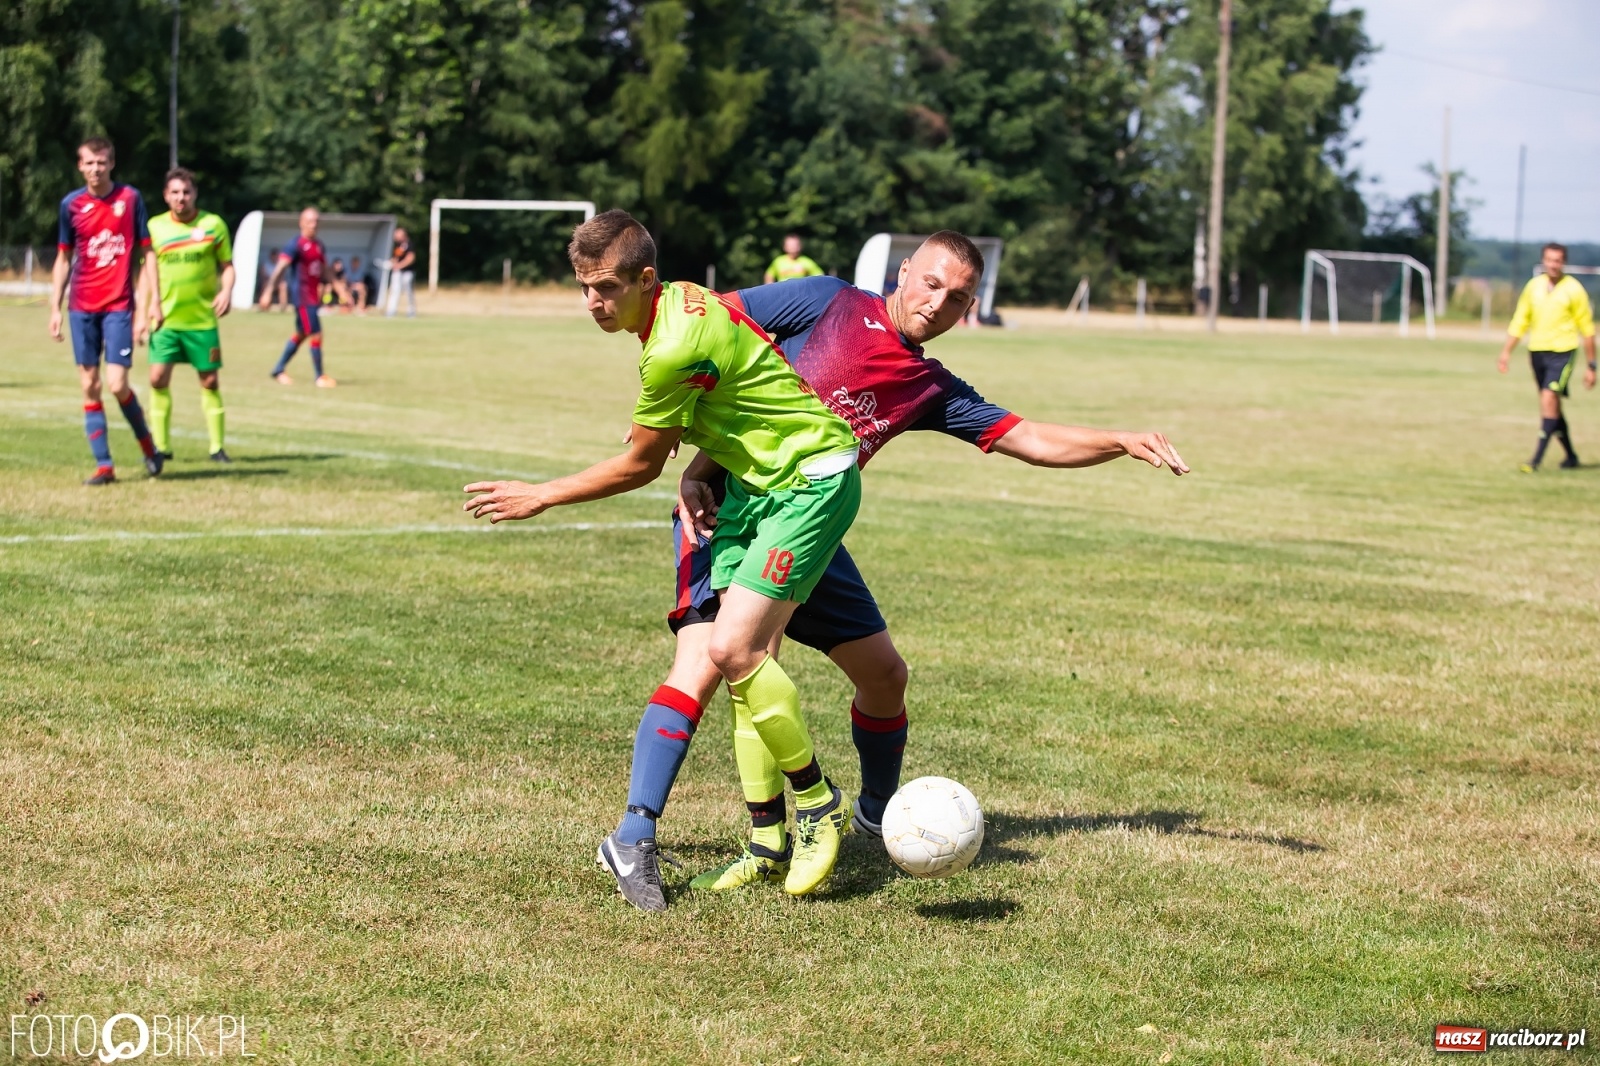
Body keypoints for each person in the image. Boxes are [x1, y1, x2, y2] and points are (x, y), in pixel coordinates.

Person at [602, 232, 1189, 911]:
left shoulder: (929, 385)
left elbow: (1028, 437)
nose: (938, 303)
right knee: (715, 661)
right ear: (903, 271)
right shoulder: (827, 299)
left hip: (812, 519)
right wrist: (680, 429)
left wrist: (1118, 440)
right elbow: (707, 316)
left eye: (959, 298)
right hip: (728, 509)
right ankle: (639, 834)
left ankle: (876, 819)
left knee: (884, 676)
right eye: (931, 283)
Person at [462, 209, 862, 902]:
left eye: (608, 287)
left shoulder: (671, 344)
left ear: (646, 279)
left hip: (810, 481)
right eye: (585, 287)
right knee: (741, 661)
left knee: (735, 651)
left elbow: (639, 465)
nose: (594, 302)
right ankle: (766, 842)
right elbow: (736, 372)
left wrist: (543, 495)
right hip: (756, 486)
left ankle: (819, 806)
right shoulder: (681, 300)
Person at [47, 136, 163, 485]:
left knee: (117, 384)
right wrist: (54, 306)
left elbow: (147, 254)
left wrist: (150, 303)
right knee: (90, 385)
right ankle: (104, 466)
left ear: (111, 164)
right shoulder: (71, 205)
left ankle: (148, 448)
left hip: (118, 305)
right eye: (89, 163)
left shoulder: (130, 199)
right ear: (80, 166)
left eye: (102, 162)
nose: (96, 169)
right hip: (81, 306)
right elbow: (64, 257)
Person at [145, 167, 235, 463]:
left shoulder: (213, 225)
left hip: (201, 320)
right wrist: (146, 308)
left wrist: (226, 291)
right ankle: (161, 447)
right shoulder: (155, 227)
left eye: (186, 192)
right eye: (174, 192)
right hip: (166, 320)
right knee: (157, 379)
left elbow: (228, 266)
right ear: (165, 196)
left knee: (209, 381)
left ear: (194, 194)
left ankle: (217, 447)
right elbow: (147, 271)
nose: (180, 198)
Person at [1498, 242, 1596, 471]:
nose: (1553, 265)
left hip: (1563, 352)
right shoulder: (1533, 287)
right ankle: (1571, 456)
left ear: (1564, 262)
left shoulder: (1574, 290)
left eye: (1558, 260)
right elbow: (1520, 321)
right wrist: (1506, 352)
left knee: (1549, 398)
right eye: (1550, 260)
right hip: (1537, 352)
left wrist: (1592, 366)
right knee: (1551, 407)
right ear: (1543, 261)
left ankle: (1536, 460)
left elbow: (1588, 330)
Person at [260, 207, 336, 387]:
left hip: (313, 297)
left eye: (316, 221)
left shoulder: (319, 245)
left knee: (301, 334)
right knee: (316, 333)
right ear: (301, 223)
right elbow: (280, 268)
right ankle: (320, 377)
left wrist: (342, 291)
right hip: (302, 298)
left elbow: (325, 271)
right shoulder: (295, 245)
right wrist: (268, 291)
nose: (313, 225)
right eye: (309, 221)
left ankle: (278, 369)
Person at [385, 227, 416, 317]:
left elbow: (410, 258)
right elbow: (395, 258)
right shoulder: (397, 245)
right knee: (394, 290)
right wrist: (391, 263)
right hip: (397, 272)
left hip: (407, 272)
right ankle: (391, 311)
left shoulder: (410, 244)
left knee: (408, 291)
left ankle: (411, 311)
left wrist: (399, 265)